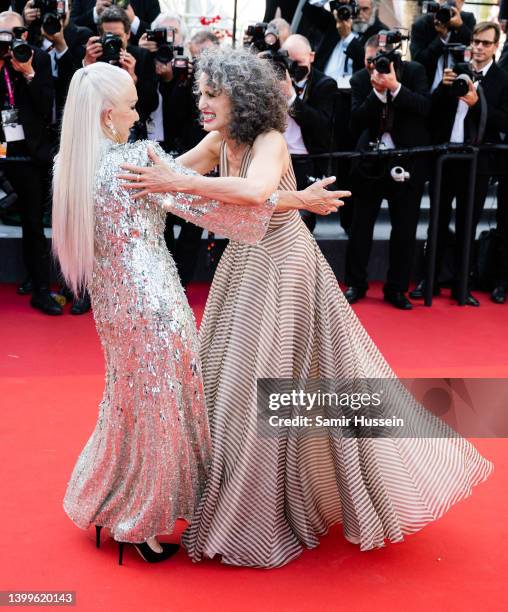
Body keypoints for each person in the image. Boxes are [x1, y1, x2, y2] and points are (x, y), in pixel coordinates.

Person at [120, 46, 493, 569]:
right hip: (244, 263)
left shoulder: (270, 138)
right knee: (232, 380)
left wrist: (175, 182)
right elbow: (172, 175)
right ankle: (230, 491)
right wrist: (121, 166)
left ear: (241, 98)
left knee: (276, 380)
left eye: (211, 94)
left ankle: (260, 509)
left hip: (284, 265)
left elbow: (253, 190)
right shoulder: (220, 139)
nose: (201, 102)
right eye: (199, 92)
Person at [53, 61, 343, 564]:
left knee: (134, 402)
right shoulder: (139, 158)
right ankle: (143, 518)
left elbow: (193, 183)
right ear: (106, 115)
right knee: (167, 406)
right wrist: (298, 199)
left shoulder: (72, 164)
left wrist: (175, 181)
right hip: (158, 304)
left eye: (213, 94)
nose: (141, 111)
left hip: (120, 306)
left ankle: (120, 502)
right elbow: (204, 200)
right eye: (131, 104)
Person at [410, 21, 508, 306]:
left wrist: (477, 103)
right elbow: (432, 111)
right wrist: (442, 88)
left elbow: (503, 121)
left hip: (477, 163)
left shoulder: (502, 79)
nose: (478, 47)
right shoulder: (456, 71)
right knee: (437, 222)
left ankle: (462, 285)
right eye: (475, 41)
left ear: (495, 47)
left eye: (485, 43)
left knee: (469, 224)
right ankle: (429, 278)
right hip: (445, 157)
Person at [344, 35, 431, 310]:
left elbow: (425, 108)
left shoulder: (414, 72)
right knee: (360, 228)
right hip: (369, 163)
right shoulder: (360, 80)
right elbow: (355, 123)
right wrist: (377, 94)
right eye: (370, 61)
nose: (375, 66)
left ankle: (396, 289)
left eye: (380, 60)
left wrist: (395, 88)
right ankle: (355, 284)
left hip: (407, 162)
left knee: (404, 230)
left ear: (395, 59)